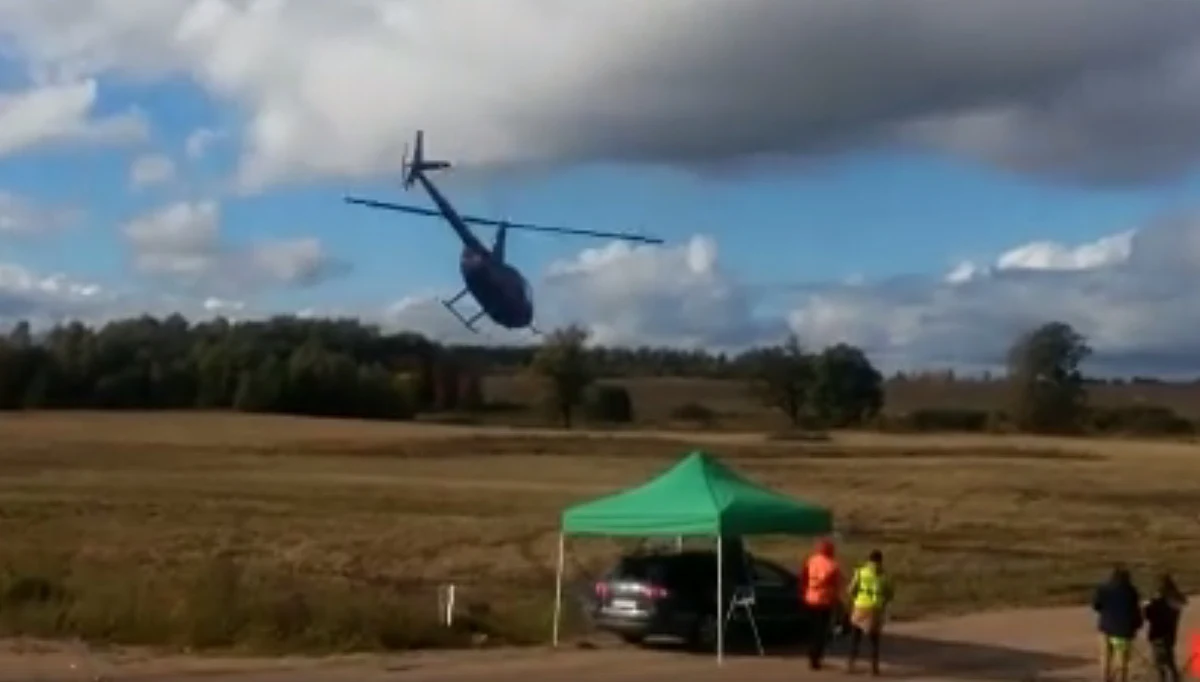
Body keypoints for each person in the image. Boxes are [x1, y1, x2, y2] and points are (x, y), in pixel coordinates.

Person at [1092, 565, 1144, 682]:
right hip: (1123, 631)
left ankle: (1106, 679)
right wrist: (1137, 625)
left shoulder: (1103, 589)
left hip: (1106, 628)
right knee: (1121, 662)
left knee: (1105, 659)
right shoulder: (1131, 591)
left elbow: (1096, 606)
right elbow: (1135, 611)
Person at [798, 537, 842, 670]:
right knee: (821, 631)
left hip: (810, 598)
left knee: (812, 629)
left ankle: (812, 654)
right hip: (824, 601)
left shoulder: (811, 561)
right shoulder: (833, 565)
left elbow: (803, 578)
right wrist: (836, 600)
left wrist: (804, 592)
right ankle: (816, 657)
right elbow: (836, 585)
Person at [846, 549, 892, 676]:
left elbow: (851, 590)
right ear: (880, 561)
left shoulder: (861, 572)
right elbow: (889, 593)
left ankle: (851, 664)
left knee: (855, 637)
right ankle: (874, 667)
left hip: (860, 606)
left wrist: (855, 600)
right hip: (875, 609)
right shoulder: (884, 576)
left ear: (869, 559)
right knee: (874, 640)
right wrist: (883, 603)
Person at [1144, 573, 1187, 682]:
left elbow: (1147, 614)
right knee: (1169, 657)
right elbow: (1183, 601)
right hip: (1169, 633)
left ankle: (1163, 678)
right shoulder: (1173, 602)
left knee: (1159, 660)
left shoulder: (1156, 603)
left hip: (1156, 633)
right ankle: (1174, 677)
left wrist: (1151, 601)